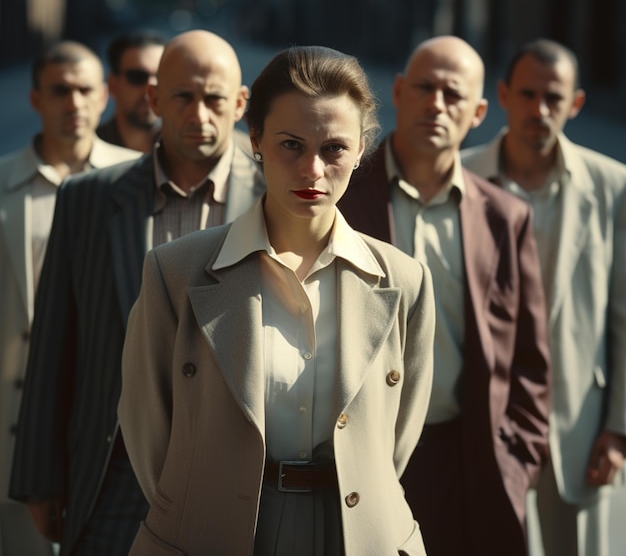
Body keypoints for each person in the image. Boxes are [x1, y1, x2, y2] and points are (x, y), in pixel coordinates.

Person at [118, 45, 436, 556]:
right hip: (215, 532)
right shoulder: (174, 271)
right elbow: (148, 436)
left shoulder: (405, 281)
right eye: (292, 144)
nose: (312, 169)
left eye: (334, 148)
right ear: (256, 138)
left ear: (361, 149)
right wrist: (204, 508)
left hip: (358, 534)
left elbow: (392, 446)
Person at [9, 29, 264, 556]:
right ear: (153, 100)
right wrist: (39, 476)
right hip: (114, 470)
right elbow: (56, 338)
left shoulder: (277, 201)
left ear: (240, 104)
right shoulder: (89, 198)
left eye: (215, 98)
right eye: (182, 97)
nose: (199, 114)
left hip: (239, 476)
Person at [338, 35, 551, 556]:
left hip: (466, 458)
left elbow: (530, 360)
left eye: (453, 95)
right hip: (356, 457)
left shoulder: (505, 218)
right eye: (425, 88)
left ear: (478, 111)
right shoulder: (340, 191)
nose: (436, 104)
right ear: (399, 92)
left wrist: (517, 459)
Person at [462, 38, 626, 556]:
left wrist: (620, 428)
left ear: (576, 103)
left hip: (579, 422)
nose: (539, 109)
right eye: (527, 94)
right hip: (482, 421)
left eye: (554, 98)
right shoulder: (460, 178)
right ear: (503, 95)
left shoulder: (612, 185)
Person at [0, 40, 138, 556]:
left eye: (85, 90)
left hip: (105, 434)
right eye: (60, 91)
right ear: (35, 98)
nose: (74, 103)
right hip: (8, 427)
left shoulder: (140, 181)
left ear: (105, 96)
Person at [97, 30, 166, 152]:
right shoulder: (90, 147)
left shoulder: (183, 148)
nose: (151, 87)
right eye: (137, 76)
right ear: (112, 84)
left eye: (161, 76)